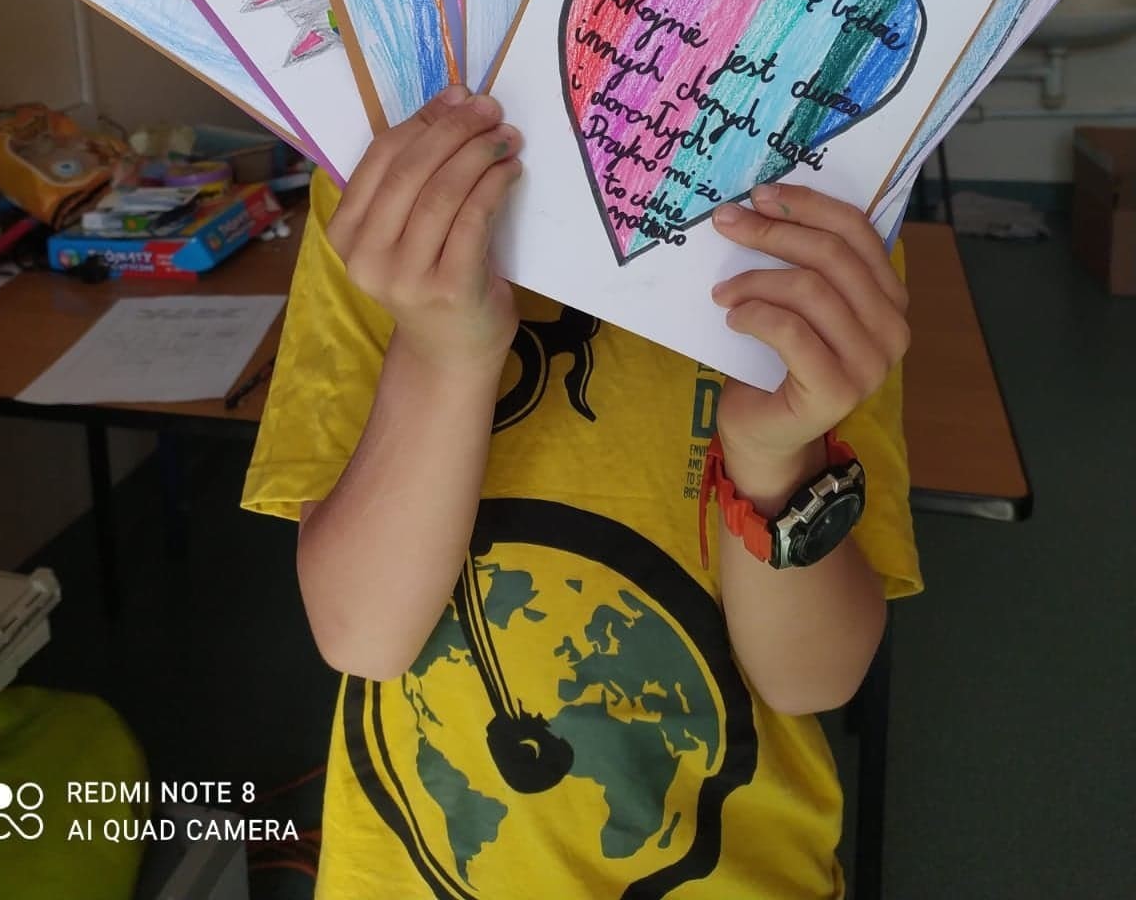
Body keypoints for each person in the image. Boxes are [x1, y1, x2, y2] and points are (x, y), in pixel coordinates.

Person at [242, 85, 922, 899]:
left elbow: (815, 679)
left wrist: (776, 461)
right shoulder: (391, 186)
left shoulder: (822, 216)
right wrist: (443, 356)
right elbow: (362, 633)